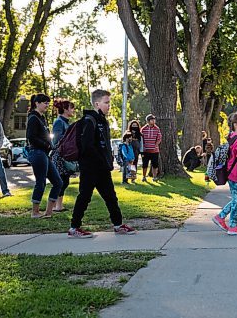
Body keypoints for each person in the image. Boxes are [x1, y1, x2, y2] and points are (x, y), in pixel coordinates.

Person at [68, 89, 135, 238]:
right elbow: (87, 146)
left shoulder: (102, 121)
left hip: (102, 168)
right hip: (90, 167)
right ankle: (74, 228)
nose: (109, 106)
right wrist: (100, 159)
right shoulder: (89, 121)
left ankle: (118, 225)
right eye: (106, 103)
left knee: (111, 196)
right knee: (84, 196)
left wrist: (107, 160)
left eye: (109, 102)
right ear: (97, 104)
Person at [212, 112, 237, 235]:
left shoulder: (232, 137)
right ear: (236, 125)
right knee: (236, 199)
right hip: (235, 174)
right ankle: (232, 225)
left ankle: (221, 217)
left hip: (232, 173)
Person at [26, 94, 62, 218]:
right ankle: (35, 212)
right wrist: (46, 146)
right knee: (40, 182)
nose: (47, 105)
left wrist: (51, 146)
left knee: (58, 182)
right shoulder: (33, 118)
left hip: (45, 154)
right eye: (45, 103)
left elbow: (46, 136)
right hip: (37, 153)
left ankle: (48, 212)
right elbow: (31, 137)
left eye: (48, 103)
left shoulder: (42, 118)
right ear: (37, 103)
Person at [51, 99, 76, 212]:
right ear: (65, 109)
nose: (73, 110)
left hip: (65, 154)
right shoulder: (59, 122)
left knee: (65, 181)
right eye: (71, 108)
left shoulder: (66, 122)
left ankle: (58, 206)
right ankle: (56, 206)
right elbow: (57, 140)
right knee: (61, 181)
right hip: (59, 156)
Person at [141, 114, 162, 182]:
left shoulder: (157, 128)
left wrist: (155, 145)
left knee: (155, 165)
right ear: (148, 121)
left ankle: (154, 177)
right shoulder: (143, 129)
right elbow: (141, 139)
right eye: (152, 120)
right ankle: (144, 177)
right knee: (145, 165)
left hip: (154, 151)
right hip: (145, 150)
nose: (154, 121)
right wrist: (143, 147)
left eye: (154, 119)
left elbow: (159, 138)